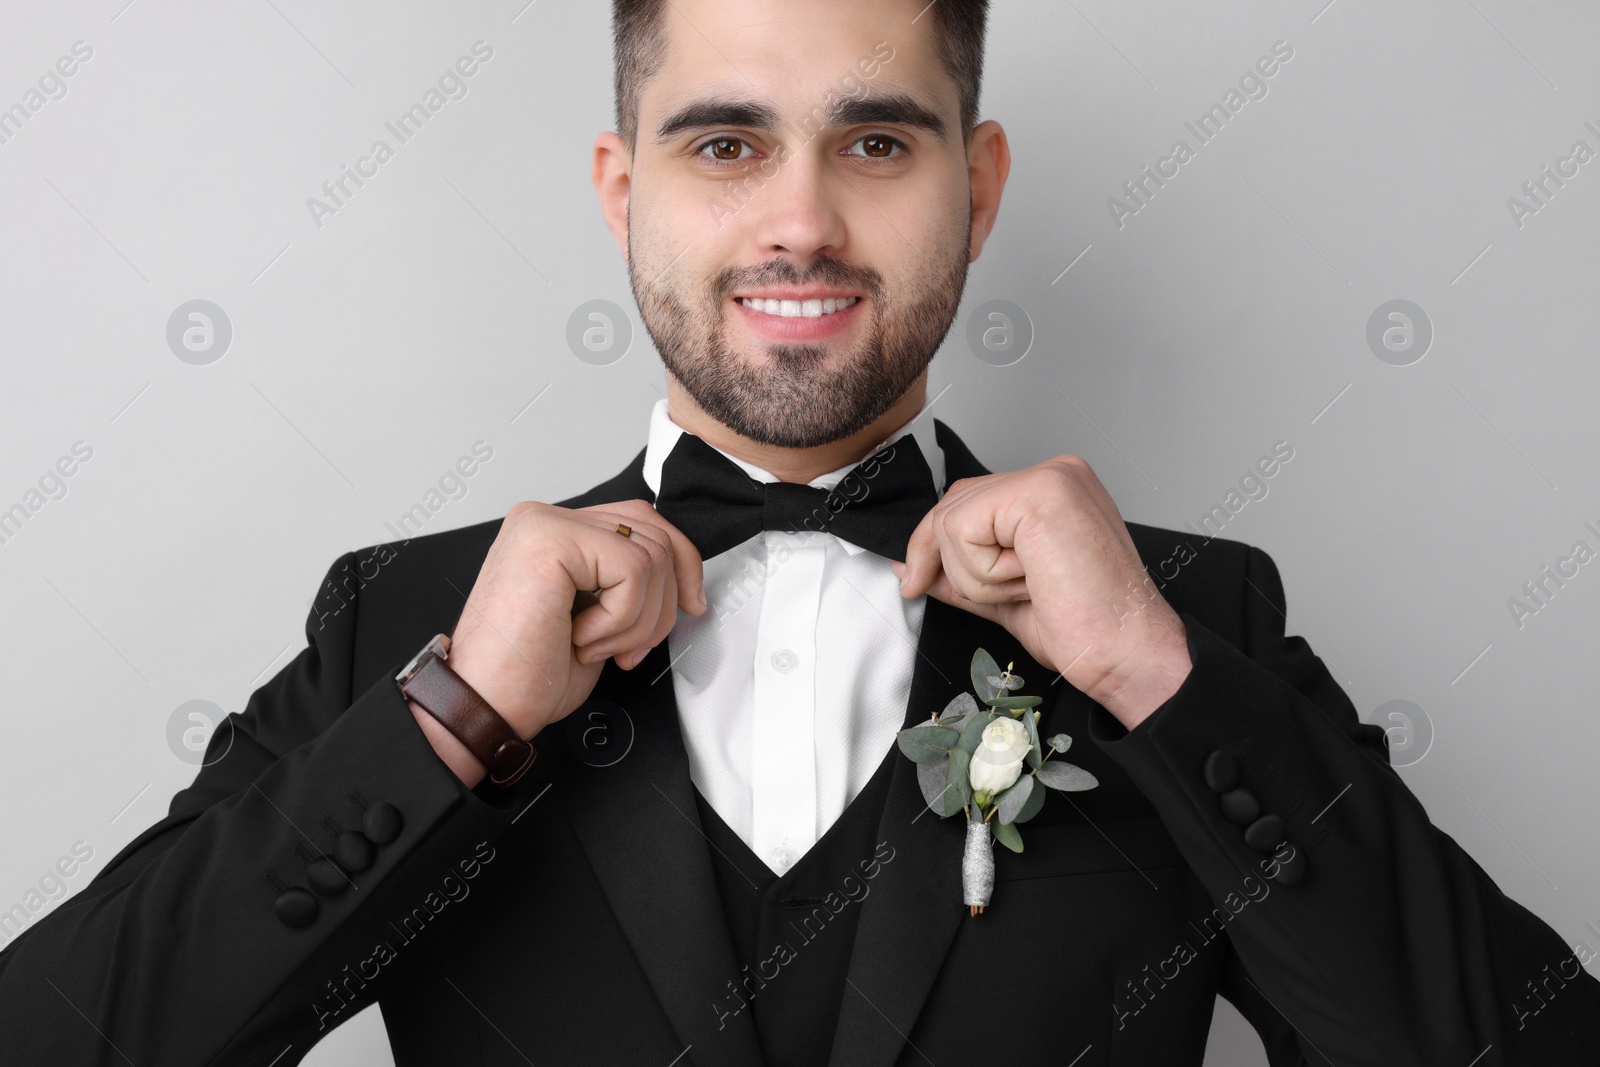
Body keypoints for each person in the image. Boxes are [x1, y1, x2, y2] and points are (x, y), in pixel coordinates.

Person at [2, 1, 1596, 1063]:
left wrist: (1155, 680)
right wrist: (455, 720)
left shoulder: (1189, 626)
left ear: (976, 193)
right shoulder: (402, 623)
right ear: (623, 190)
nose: (803, 222)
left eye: (877, 143)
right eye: (725, 143)